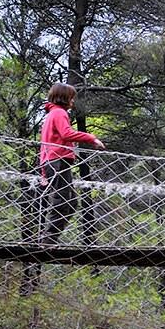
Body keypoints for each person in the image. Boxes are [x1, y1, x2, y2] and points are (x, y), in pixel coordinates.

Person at [38, 82, 104, 245]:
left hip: (52, 162)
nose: (73, 102)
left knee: (71, 202)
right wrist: (91, 138)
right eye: (71, 98)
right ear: (64, 98)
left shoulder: (50, 116)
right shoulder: (59, 113)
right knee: (62, 202)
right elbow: (66, 134)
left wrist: (44, 172)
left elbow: (44, 146)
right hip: (58, 162)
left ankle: (50, 237)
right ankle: (47, 240)